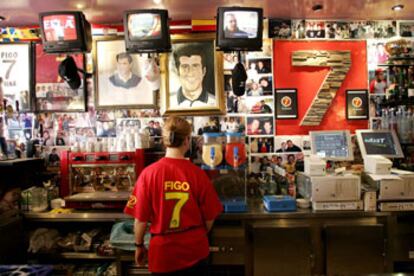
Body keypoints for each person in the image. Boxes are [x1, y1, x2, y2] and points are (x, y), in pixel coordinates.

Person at [124, 116, 223, 275]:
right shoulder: (198, 174)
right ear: (187, 141)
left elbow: (140, 220)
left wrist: (139, 246)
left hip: (162, 254)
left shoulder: (148, 174)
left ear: (164, 141)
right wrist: (195, 237)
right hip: (195, 251)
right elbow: (210, 218)